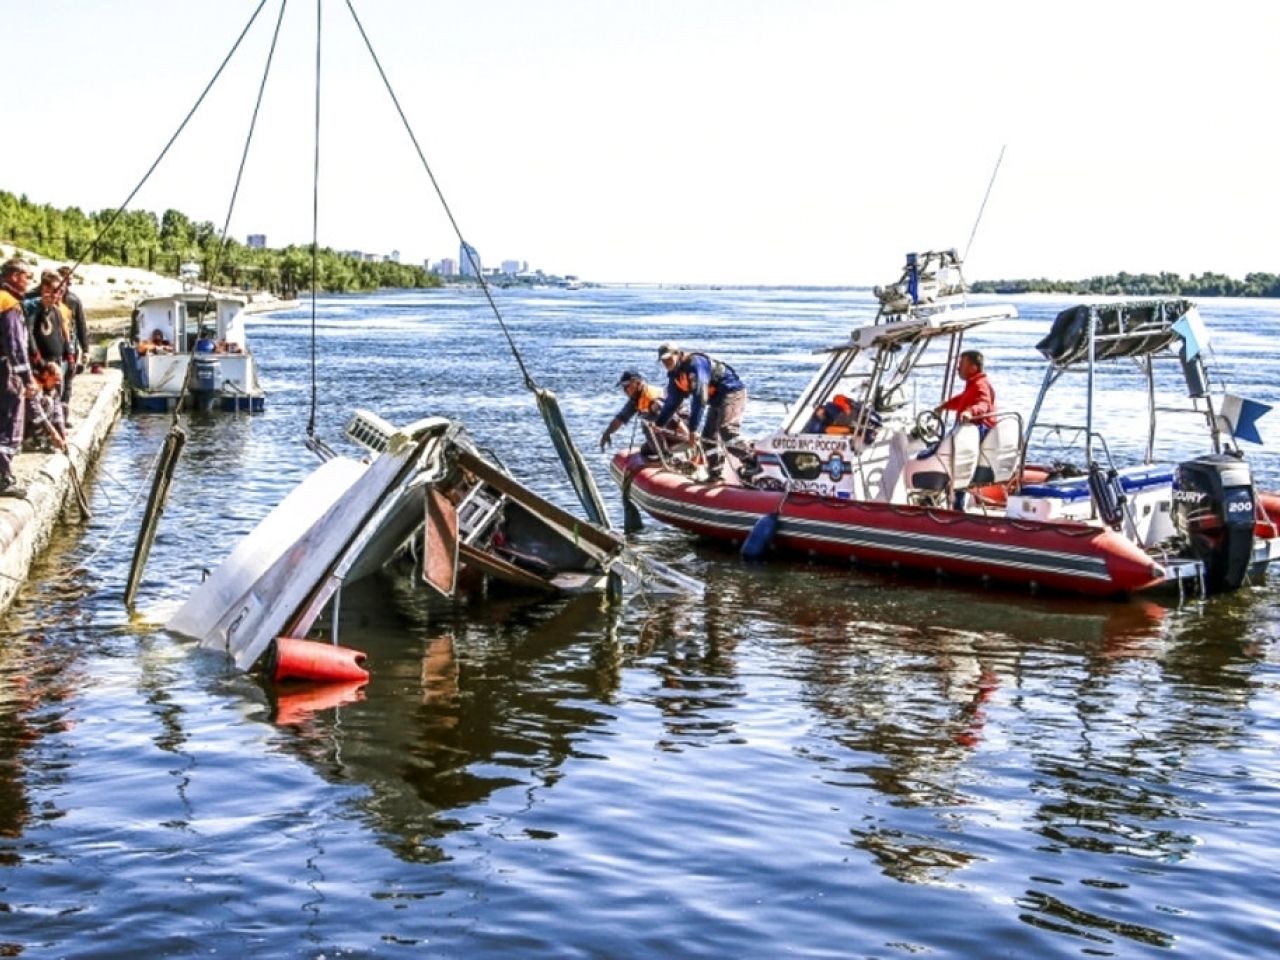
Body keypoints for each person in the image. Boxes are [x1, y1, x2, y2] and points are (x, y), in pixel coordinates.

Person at [654, 342, 747, 482]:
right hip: (716, 400)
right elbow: (672, 402)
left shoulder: (695, 365)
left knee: (727, 430)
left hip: (731, 393)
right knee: (708, 438)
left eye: (669, 358)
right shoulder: (675, 377)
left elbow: (700, 397)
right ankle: (715, 474)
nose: (667, 362)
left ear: (678, 354)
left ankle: (751, 459)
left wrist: (692, 429)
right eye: (663, 361)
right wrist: (659, 424)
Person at [0, 258, 38, 498]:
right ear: (14, 276)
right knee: (9, 423)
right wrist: (27, 378)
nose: (28, 282)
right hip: (5, 372)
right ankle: (3, 478)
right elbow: (15, 345)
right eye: (27, 276)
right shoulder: (9, 304)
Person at [24, 270, 74, 423]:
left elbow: (63, 334)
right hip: (41, 362)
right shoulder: (34, 310)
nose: (58, 296)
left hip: (57, 361)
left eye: (61, 293)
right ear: (45, 290)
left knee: (56, 396)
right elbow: (29, 334)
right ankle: (39, 431)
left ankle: (58, 424)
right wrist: (38, 359)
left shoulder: (57, 311)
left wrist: (69, 355)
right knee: (41, 399)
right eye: (55, 292)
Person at [599, 368, 670, 455]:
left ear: (636, 382)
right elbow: (621, 418)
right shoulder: (636, 399)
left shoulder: (651, 395)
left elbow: (672, 416)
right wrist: (607, 433)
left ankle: (665, 454)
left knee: (646, 422)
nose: (625, 390)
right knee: (645, 450)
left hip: (676, 428)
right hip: (665, 431)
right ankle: (661, 449)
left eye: (627, 386)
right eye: (623, 387)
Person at [934, 349, 996, 435]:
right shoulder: (973, 384)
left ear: (973, 368)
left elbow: (983, 404)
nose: (958, 368)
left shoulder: (980, 384)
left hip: (978, 431)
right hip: (968, 430)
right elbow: (961, 400)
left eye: (961, 364)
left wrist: (970, 412)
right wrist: (944, 406)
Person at [57, 266, 89, 425]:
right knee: (56, 382)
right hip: (55, 347)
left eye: (69, 279)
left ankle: (64, 415)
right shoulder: (45, 298)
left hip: (71, 347)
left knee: (68, 381)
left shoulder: (74, 300)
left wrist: (86, 349)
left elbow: (81, 325)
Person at [802, 393, 881, 442]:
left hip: (841, 415)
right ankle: (867, 429)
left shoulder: (832, 405)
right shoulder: (821, 424)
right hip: (835, 420)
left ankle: (868, 427)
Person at [24, 361, 66, 453]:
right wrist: (53, 432)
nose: (56, 383)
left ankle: (42, 438)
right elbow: (36, 412)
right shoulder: (34, 384)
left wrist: (61, 433)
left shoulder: (52, 389)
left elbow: (57, 410)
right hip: (24, 419)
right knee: (47, 402)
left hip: (35, 418)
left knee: (63, 408)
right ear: (46, 375)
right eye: (55, 379)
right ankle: (30, 439)